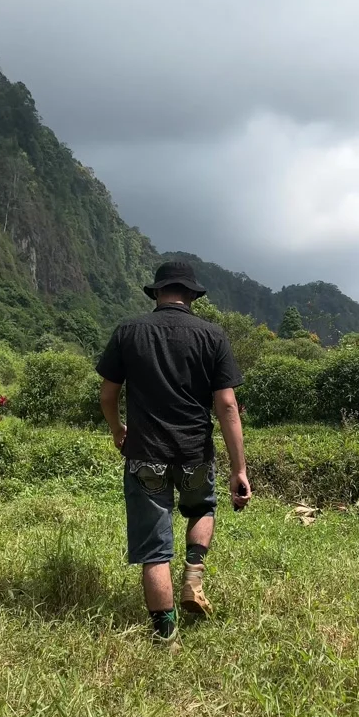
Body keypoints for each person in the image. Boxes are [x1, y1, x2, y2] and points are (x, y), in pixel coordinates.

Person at [96, 260, 251, 646]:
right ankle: (193, 576)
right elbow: (227, 406)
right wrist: (239, 469)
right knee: (201, 509)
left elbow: (107, 395)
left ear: (157, 293)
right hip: (195, 454)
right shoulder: (212, 336)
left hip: (145, 454)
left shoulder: (129, 331)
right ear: (193, 296)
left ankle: (166, 635)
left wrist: (119, 431)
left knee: (154, 549)